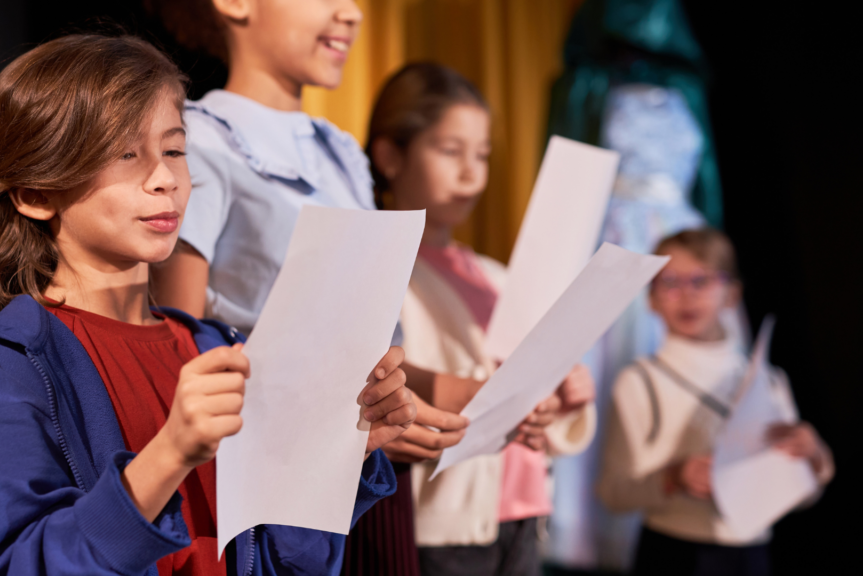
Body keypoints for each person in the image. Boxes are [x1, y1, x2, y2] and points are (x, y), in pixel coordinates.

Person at [0, 33, 417, 576]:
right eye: (124, 154)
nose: (165, 179)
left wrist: (339, 452)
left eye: (174, 151)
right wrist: (170, 454)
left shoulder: (217, 349)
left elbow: (285, 559)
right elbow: (10, 564)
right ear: (36, 193)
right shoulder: (15, 360)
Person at [150, 3, 565, 574]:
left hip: (369, 481)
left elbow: (364, 351)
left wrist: (478, 397)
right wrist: (343, 426)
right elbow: (178, 358)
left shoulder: (340, 152)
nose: (350, 14)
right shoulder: (202, 143)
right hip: (273, 487)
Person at [366, 62, 597, 576]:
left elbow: (534, 391)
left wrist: (561, 398)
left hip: (524, 512)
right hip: (444, 525)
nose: (471, 173)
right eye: (451, 151)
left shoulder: (497, 275)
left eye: (483, 155)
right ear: (390, 155)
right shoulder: (376, 270)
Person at [597, 228, 835, 576]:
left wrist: (815, 458)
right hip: (673, 551)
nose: (687, 295)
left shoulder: (769, 380)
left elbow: (799, 497)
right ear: (651, 298)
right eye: (670, 282)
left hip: (751, 555)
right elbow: (613, 493)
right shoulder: (640, 381)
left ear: (732, 294)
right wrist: (674, 476)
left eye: (701, 280)